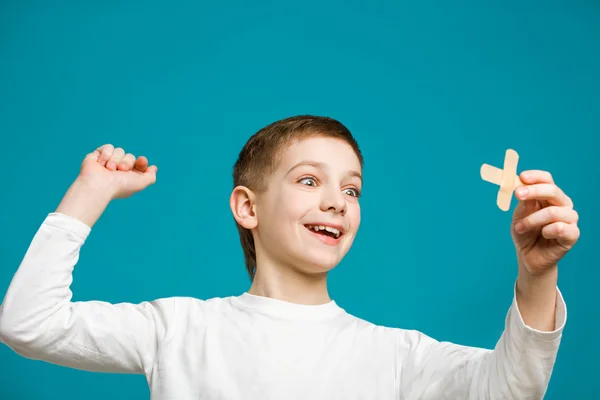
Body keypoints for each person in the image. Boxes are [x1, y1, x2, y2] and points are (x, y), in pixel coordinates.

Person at [0, 115, 580, 399]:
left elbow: (512, 389)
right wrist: (89, 194)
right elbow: (27, 324)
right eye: (309, 180)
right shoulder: (177, 329)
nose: (336, 201)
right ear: (247, 208)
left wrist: (537, 272)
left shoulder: (396, 356)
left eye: (352, 189)